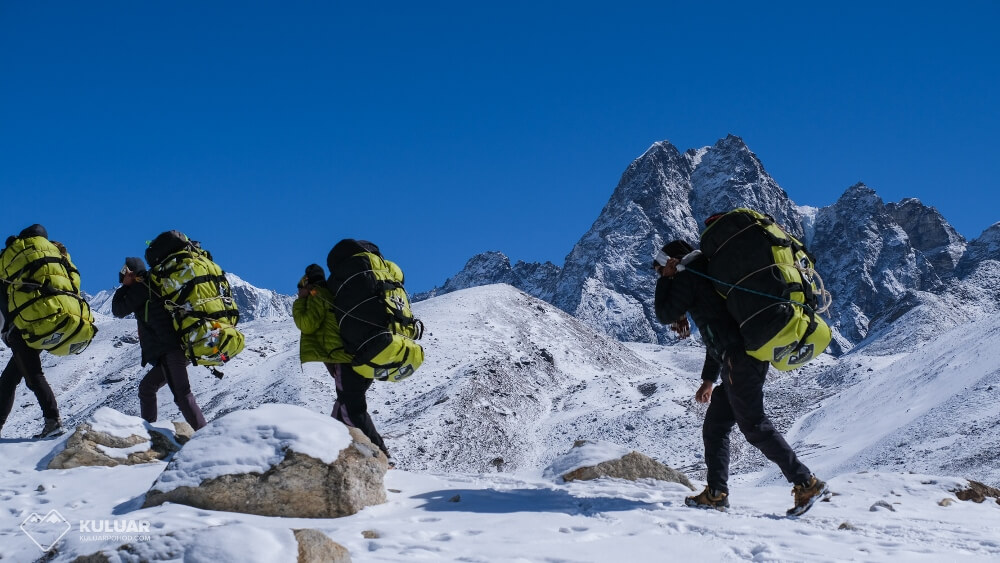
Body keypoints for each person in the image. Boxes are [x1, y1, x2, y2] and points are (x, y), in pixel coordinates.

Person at [653, 239, 828, 516]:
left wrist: (667, 280)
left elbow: (665, 313)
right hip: (739, 359)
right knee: (715, 426)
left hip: (739, 361)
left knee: (754, 425)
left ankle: (806, 483)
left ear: (672, 261)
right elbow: (718, 330)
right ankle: (716, 494)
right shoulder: (708, 273)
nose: (660, 273)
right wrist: (709, 380)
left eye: (661, 267)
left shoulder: (690, 276)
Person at [292, 263, 390, 458]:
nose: (298, 291)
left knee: (351, 410)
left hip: (346, 361)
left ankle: (382, 455)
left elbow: (307, 324)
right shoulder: (334, 294)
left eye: (300, 287)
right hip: (362, 358)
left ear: (307, 283)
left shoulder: (316, 295)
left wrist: (300, 301)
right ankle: (330, 452)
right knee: (341, 409)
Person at [111, 257, 206, 430]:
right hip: (174, 348)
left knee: (182, 394)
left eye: (124, 272)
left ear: (131, 272)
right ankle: (150, 432)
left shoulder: (140, 288)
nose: (121, 275)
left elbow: (118, 310)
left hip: (170, 349)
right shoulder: (152, 285)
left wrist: (125, 286)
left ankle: (204, 435)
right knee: (147, 388)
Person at [0, 225, 64, 439]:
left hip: (23, 326)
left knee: (32, 375)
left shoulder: (16, 262)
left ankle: (52, 420)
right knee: (9, 379)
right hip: (45, 322)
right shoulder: (50, 260)